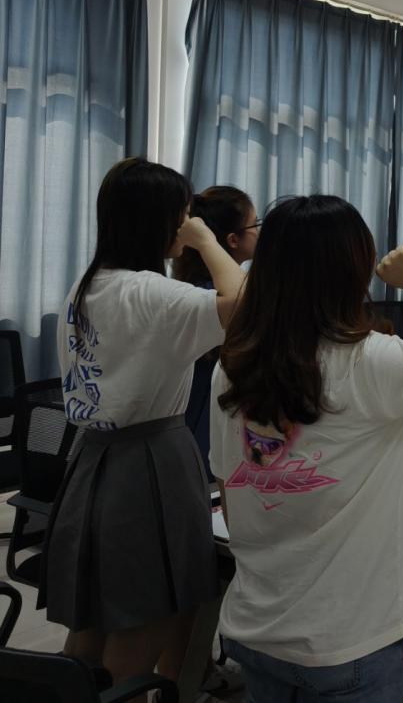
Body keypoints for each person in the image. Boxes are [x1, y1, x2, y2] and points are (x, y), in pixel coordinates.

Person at [211, 195, 403, 703]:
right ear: (354, 270)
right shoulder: (371, 362)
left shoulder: (231, 365)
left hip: (256, 626)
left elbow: (232, 502)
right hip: (350, 639)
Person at [42, 157, 245, 687]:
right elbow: (245, 305)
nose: (186, 223)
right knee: (144, 621)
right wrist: (207, 242)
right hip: (151, 460)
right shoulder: (154, 294)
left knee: (92, 624)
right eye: (182, 213)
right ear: (159, 219)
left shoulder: (85, 286)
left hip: (92, 458)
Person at [172, 185, 259, 476]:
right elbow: (249, 309)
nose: (260, 232)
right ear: (233, 240)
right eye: (255, 225)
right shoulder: (214, 298)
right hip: (204, 432)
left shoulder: (198, 288)